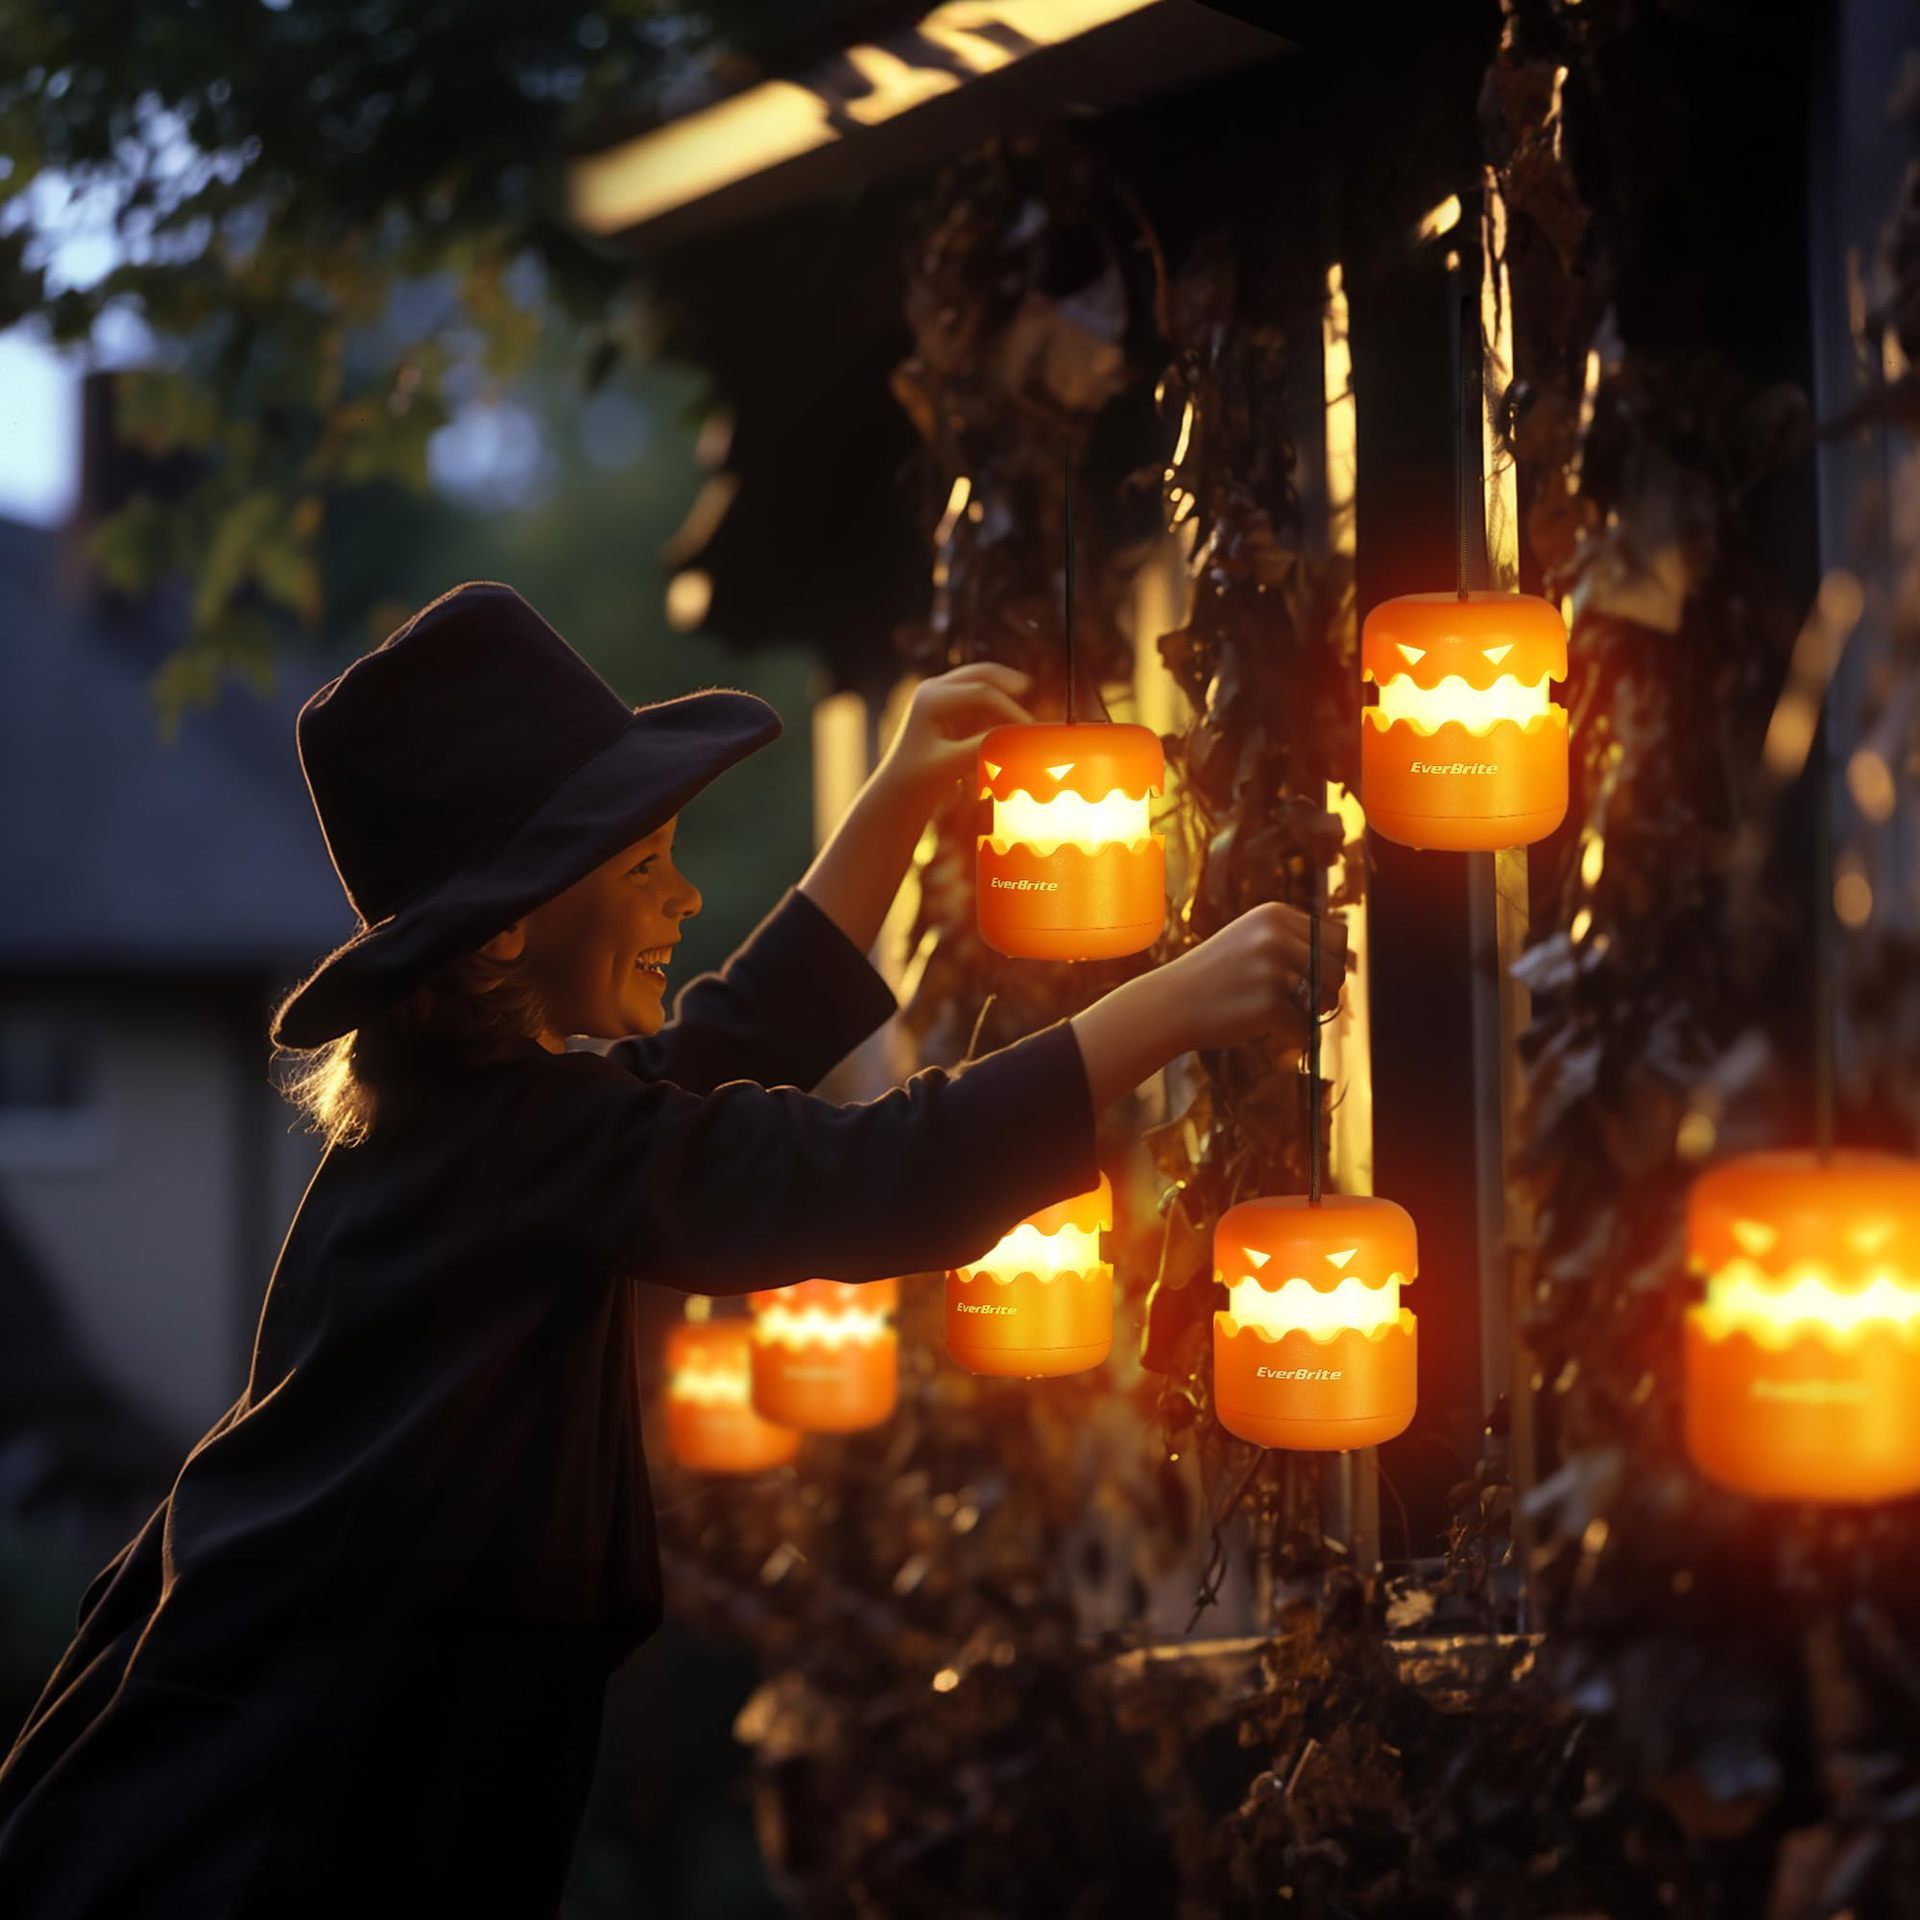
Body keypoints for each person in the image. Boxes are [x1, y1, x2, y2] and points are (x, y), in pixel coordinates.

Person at [0, 582, 1343, 1916]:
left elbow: (719, 1051)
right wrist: (1164, 1010)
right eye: (647, 869)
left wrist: (890, 807)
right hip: (272, 1827)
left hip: (306, 1776)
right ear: (514, 926)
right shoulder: (522, 1145)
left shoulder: (474, 1128)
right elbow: (867, 1178)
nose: (686, 895)